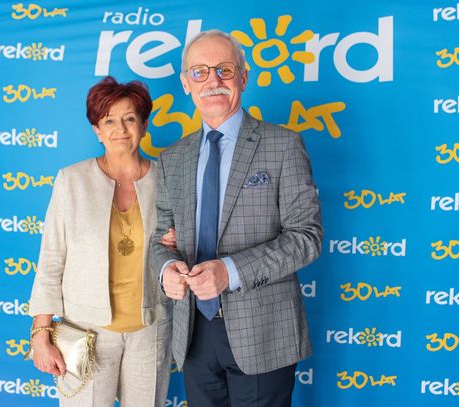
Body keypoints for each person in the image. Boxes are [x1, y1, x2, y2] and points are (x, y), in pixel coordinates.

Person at [150, 30, 323, 407]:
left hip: (264, 334)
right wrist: (166, 270)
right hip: (193, 332)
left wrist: (229, 272)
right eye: (199, 72)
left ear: (243, 78)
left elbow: (306, 237)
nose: (212, 80)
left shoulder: (283, 145)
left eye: (224, 69)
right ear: (186, 83)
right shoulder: (171, 159)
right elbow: (159, 239)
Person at [28, 76, 174, 406]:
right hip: (85, 332)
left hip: (150, 330)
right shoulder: (71, 180)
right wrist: (41, 333)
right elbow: (51, 260)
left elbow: (182, 251)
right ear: (97, 129)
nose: (120, 129)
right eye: (109, 121)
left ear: (144, 125)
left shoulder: (167, 180)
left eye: (129, 118)